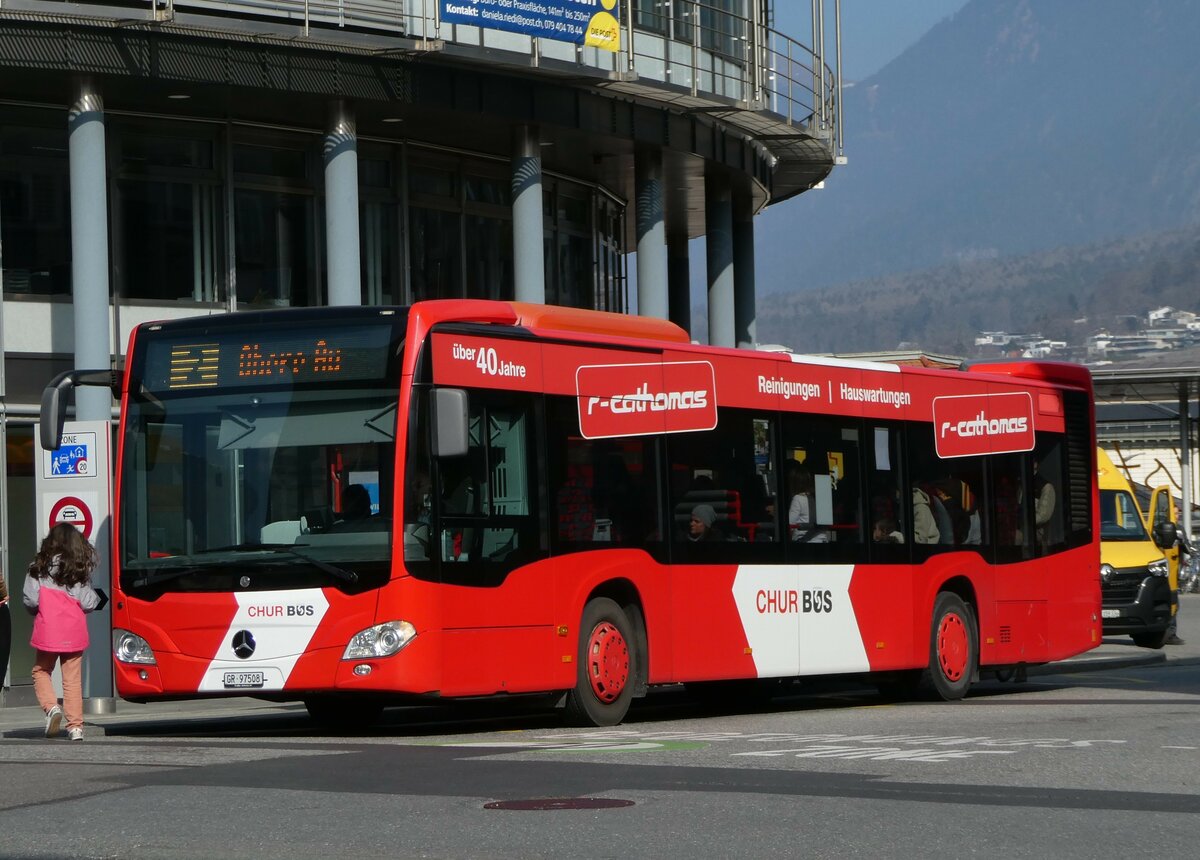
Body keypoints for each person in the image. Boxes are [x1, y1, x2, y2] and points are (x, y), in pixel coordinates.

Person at [23, 524, 105, 741]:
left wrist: (36, 609)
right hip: (74, 631)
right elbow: (88, 603)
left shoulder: (38, 567)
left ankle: (52, 708)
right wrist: (97, 598)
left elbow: (30, 599)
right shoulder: (78, 570)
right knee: (72, 680)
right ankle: (76, 727)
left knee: (41, 671)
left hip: (48, 630)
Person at [786, 462, 829, 542]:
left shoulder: (798, 498)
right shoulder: (817, 498)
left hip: (805, 541)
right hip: (822, 540)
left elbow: (790, 524)